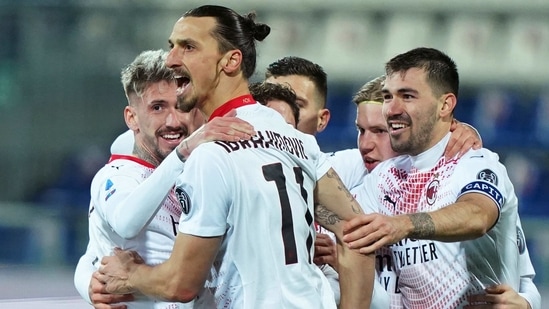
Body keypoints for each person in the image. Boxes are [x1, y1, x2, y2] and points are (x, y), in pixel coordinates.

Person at [96, 5, 374, 309]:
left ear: (230, 61)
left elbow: (180, 284)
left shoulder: (211, 154)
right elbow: (359, 230)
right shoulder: (298, 140)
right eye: (171, 46)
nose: (172, 59)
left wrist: (130, 276)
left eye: (188, 47)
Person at [342, 47, 530, 308]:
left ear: (445, 104)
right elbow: (340, 225)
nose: (392, 109)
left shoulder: (475, 162)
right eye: (387, 96)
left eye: (407, 96)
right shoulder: (382, 177)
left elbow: (477, 215)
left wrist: (403, 224)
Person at [74, 49, 255, 308]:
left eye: (181, 106)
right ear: (132, 118)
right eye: (158, 107)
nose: (173, 121)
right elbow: (125, 223)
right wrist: (184, 151)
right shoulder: (117, 176)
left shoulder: (204, 171)